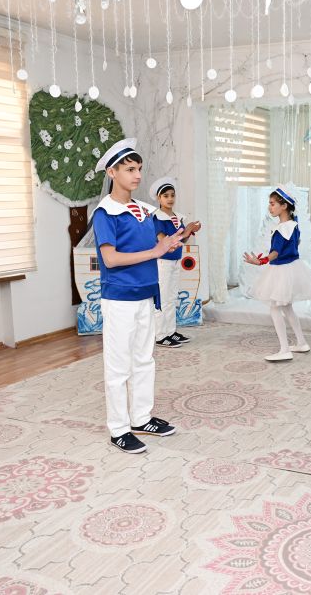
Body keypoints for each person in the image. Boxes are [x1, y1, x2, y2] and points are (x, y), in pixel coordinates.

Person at [92, 138, 183, 454]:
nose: (138, 175)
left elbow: (154, 246)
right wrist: (155, 251)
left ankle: (141, 418)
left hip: (146, 294)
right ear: (112, 172)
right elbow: (111, 259)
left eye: (139, 168)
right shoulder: (105, 213)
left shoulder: (146, 210)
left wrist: (167, 245)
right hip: (119, 298)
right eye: (130, 169)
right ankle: (119, 429)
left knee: (144, 360)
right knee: (119, 366)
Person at [243, 183, 311, 362]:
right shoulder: (294, 225)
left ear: (284, 206)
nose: (269, 207)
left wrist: (260, 261)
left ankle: (285, 349)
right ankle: (301, 342)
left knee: (275, 308)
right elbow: (294, 245)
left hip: (281, 270)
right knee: (287, 307)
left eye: (272, 204)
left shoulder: (281, 229)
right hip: (292, 267)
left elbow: (276, 252)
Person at [147, 176, 202, 348]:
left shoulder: (178, 217)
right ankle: (160, 335)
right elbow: (164, 241)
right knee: (162, 299)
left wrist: (189, 231)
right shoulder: (157, 218)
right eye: (166, 196)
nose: (170, 199)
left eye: (172, 195)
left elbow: (182, 241)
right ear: (159, 198)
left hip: (175, 260)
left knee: (171, 298)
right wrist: (186, 231)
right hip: (163, 262)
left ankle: (170, 331)